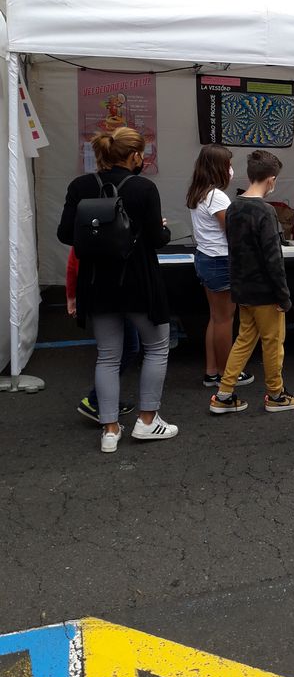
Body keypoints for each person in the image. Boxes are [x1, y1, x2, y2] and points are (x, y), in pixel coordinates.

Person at [57, 127, 177, 453]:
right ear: (134, 155)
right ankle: (148, 421)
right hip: (138, 279)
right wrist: (162, 228)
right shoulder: (143, 188)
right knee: (156, 347)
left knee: (107, 355)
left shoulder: (80, 186)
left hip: (96, 281)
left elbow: (66, 234)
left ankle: (110, 429)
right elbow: (156, 239)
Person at [209, 150, 294, 415]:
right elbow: (273, 259)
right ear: (271, 180)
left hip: (242, 288)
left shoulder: (234, 206)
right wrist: (283, 296)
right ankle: (276, 394)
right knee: (273, 343)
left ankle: (224, 393)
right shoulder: (266, 212)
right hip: (265, 292)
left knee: (244, 340)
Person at [186, 143, 253, 389]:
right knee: (226, 319)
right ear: (218, 168)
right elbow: (233, 232)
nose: (231, 169)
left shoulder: (199, 191)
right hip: (221, 261)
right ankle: (227, 373)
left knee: (215, 318)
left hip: (206, 258)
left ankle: (212, 371)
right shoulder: (217, 196)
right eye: (229, 164)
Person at [67, 248, 138, 422]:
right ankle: (97, 402)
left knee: (116, 352)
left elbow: (72, 261)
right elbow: (73, 260)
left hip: (98, 295)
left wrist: (72, 295)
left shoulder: (86, 227)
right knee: (117, 353)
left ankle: (103, 403)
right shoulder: (116, 228)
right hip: (110, 295)